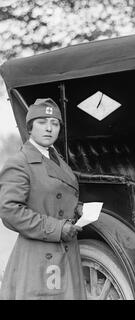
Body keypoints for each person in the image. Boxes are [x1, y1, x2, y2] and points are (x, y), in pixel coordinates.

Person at [0, 98, 87, 299]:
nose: (49, 129)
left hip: (64, 250)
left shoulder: (54, 157)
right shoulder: (20, 163)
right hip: (41, 255)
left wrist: (77, 208)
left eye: (55, 123)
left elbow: (56, 196)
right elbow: (9, 210)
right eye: (42, 122)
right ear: (30, 127)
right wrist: (57, 228)